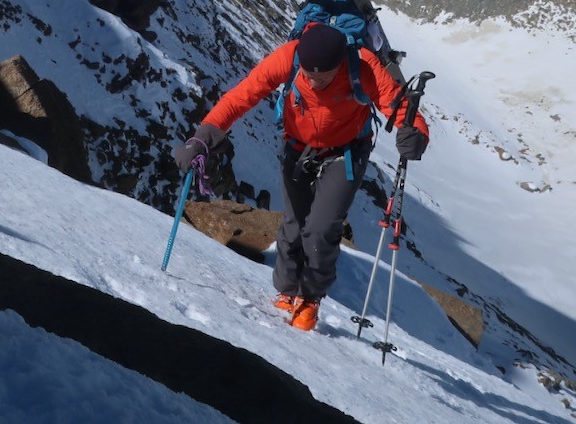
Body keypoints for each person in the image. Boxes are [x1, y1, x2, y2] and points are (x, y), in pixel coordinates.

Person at [174, 22, 429, 331]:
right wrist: (203, 137)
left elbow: (400, 107)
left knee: (321, 228)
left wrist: (416, 134)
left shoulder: (362, 65)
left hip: (345, 153)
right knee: (294, 223)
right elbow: (244, 95)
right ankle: (285, 289)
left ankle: (309, 298)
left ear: (339, 65)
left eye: (323, 77)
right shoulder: (290, 57)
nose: (315, 82)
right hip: (298, 149)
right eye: (309, 76)